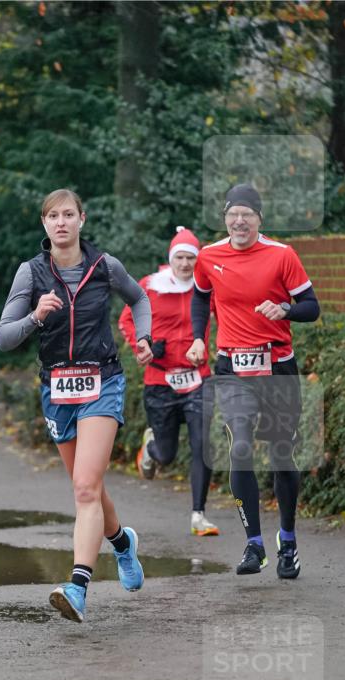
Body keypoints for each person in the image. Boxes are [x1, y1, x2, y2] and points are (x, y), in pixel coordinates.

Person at [0, 188, 153, 622]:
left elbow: (139, 298)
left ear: (82, 219)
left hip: (102, 382)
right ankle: (122, 543)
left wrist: (143, 337)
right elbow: (3, 337)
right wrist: (35, 316)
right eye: (53, 216)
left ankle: (78, 587)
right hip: (57, 390)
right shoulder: (30, 273)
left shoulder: (104, 266)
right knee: (90, 488)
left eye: (68, 215)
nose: (61, 222)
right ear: (44, 224)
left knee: (84, 488)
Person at [191, 183, 320, 579]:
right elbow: (200, 296)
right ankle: (254, 545)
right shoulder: (209, 256)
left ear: (259, 219)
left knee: (282, 456)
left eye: (247, 214)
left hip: (278, 367)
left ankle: (288, 541)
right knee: (240, 446)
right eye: (233, 214)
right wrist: (199, 338)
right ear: (225, 218)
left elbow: (311, 307)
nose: (239, 220)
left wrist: (285, 309)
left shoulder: (282, 255)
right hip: (233, 368)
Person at [119, 226, 219, 537]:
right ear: (171, 259)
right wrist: (144, 345)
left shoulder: (206, 288)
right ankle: (152, 448)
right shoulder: (150, 286)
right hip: (160, 380)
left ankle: (199, 515)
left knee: (202, 445)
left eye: (191, 258)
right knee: (167, 454)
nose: (185, 264)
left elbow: (226, 315)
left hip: (198, 378)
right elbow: (126, 320)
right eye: (180, 258)